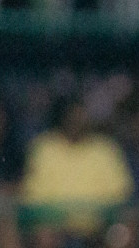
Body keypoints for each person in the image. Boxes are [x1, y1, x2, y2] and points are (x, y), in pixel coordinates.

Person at [20, 97, 132, 231]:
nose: (77, 122)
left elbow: (120, 195)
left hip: (99, 227)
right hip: (55, 227)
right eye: (72, 117)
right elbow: (35, 196)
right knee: (45, 235)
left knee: (123, 230)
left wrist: (93, 220)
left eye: (81, 117)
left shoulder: (106, 148)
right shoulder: (44, 146)